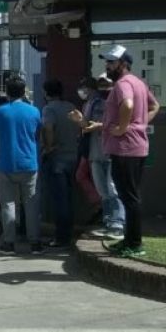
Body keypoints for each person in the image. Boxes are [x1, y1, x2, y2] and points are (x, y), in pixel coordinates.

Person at [99, 45, 159, 258]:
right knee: (129, 196)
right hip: (136, 148)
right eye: (107, 61)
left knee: (129, 197)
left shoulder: (123, 84)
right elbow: (155, 106)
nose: (107, 65)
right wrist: (139, 124)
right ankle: (130, 239)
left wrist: (124, 127)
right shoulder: (139, 83)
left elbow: (127, 104)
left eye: (112, 62)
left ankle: (135, 244)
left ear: (124, 64)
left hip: (125, 149)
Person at [0, 77, 44, 255]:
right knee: (31, 204)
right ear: (24, 91)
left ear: (7, 91)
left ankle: (8, 243)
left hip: (5, 163)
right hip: (29, 163)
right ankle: (35, 243)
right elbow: (37, 133)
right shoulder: (34, 111)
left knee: (8, 204)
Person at [70, 75, 125, 241]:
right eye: (100, 84)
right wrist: (80, 121)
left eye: (106, 84)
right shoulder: (91, 103)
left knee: (112, 188)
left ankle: (117, 223)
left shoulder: (113, 103)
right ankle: (109, 221)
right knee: (103, 190)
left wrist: (88, 124)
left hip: (110, 152)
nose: (103, 88)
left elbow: (105, 125)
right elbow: (88, 126)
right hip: (95, 152)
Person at [40, 80, 80, 248]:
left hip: (58, 158)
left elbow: (48, 128)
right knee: (69, 198)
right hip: (73, 156)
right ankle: (68, 234)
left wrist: (48, 147)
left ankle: (61, 237)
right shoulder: (71, 106)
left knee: (60, 200)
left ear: (46, 93)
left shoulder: (49, 109)